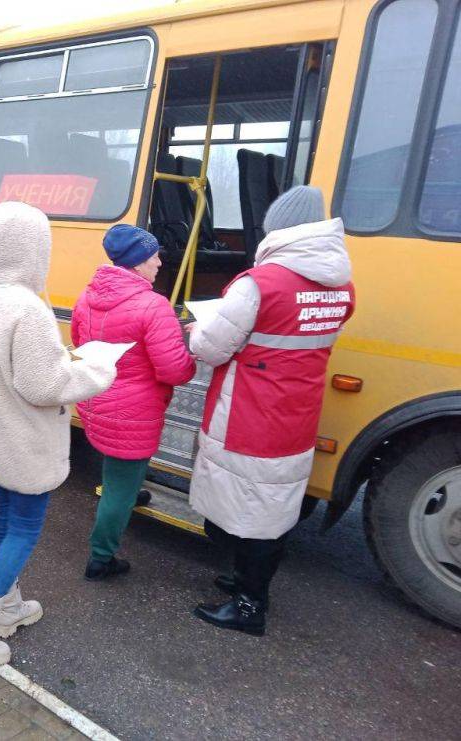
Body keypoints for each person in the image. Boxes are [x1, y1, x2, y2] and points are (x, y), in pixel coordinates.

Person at [0, 201, 116, 665]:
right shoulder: (26, 308)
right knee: (22, 530)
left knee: (4, 520)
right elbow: (45, 385)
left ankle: (8, 608)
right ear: (33, 249)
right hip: (22, 443)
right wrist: (99, 369)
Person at [186, 185, 355, 635]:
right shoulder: (342, 286)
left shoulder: (259, 284)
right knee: (273, 503)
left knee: (251, 508)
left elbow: (211, 347)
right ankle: (246, 582)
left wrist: (193, 333)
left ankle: (248, 606)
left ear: (279, 230)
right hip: (296, 414)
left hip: (248, 414)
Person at [71, 225, 195, 581]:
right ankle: (101, 557)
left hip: (98, 400)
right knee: (119, 486)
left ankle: (129, 491)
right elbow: (173, 370)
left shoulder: (87, 297)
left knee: (119, 465)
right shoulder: (153, 306)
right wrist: (193, 359)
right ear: (138, 262)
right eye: (153, 255)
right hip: (134, 411)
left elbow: (81, 346)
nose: (159, 261)